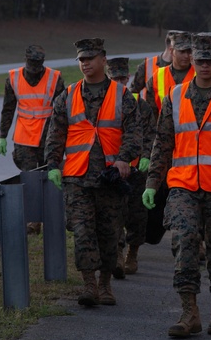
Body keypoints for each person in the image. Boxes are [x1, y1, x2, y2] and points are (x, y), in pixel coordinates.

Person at [141, 32, 211, 339]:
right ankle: (189, 311)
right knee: (184, 239)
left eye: (210, 61)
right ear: (191, 59)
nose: (205, 66)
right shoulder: (175, 96)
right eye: (199, 60)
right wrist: (153, 182)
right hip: (183, 187)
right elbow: (162, 143)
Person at [45, 39, 141, 306]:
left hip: (111, 176)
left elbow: (134, 133)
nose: (85, 63)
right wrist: (52, 164)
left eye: (90, 58)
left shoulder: (122, 96)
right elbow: (55, 134)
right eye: (81, 59)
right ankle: (89, 284)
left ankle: (106, 284)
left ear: (103, 60)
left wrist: (125, 159)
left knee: (109, 232)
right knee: (83, 231)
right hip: (77, 177)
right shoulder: (68, 95)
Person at [106, 57, 155, 277]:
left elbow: (150, 134)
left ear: (128, 79)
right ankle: (117, 253)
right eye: (113, 77)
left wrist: (146, 156)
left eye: (121, 78)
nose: (118, 81)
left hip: (135, 170)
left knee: (136, 214)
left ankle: (132, 252)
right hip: (111, 171)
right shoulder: (104, 103)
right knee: (113, 213)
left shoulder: (141, 105)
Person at [0, 44, 65, 171]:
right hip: (24, 137)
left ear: (42, 62)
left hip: (47, 135)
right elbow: (8, 109)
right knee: (29, 176)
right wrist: (2, 136)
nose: (33, 70)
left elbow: (63, 110)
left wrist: (64, 136)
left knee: (49, 173)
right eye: (31, 63)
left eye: (36, 64)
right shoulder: (13, 78)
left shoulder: (54, 78)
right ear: (25, 59)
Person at [146, 31, 195, 116]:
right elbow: (150, 111)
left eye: (189, 51)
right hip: (164, 127)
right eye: (182, 52)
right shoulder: (158, 76)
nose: (187, 56)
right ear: (172, 51)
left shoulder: (199, 74)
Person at [130, 30, 178, 95]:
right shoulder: (147, 65)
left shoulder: (188, 67)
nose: (187, 54)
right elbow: (133, 92)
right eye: (183, 50)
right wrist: (141, 105)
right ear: (171, 49)